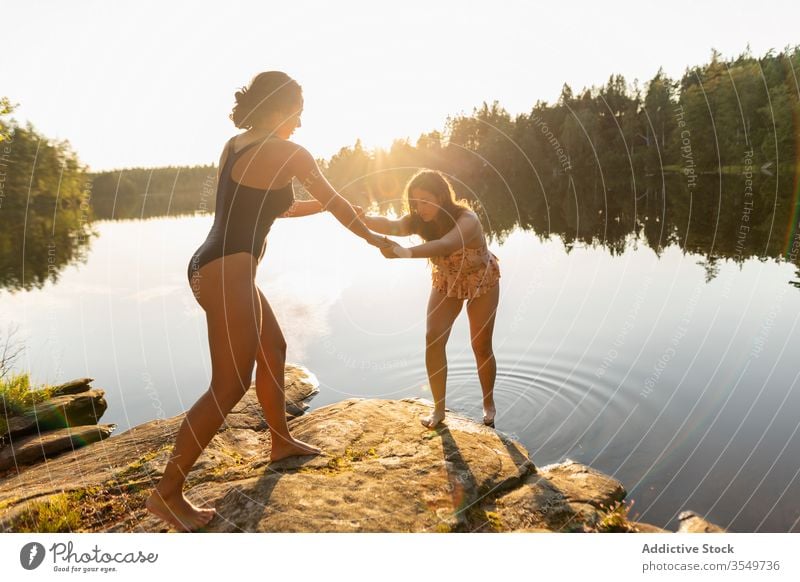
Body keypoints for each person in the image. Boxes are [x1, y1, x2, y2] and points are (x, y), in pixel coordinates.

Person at [146, 71, 391, 531]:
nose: (300, 122)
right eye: (298, 111)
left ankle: (280, 440)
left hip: (219, 266)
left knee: (272, 349)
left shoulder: (236, 145)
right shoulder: (291, 153)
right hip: (225, 271)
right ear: (280, 108)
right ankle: (167, 493)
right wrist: (377, 238)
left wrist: (324, 207)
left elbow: (277, 207)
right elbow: (336, 200)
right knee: (230, 383)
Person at [357, 170, 500, 429]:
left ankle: (488, 404)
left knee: (480, 345)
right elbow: (392, 226)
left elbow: (446, 245)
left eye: (425, 201)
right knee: (432, 337)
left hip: (480, 278)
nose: (419, 208)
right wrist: (363, 218)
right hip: (447, 279)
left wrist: (404, 253)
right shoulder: (419, 220)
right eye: (414, 202)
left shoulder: (467, 219)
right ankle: (438, 409)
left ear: (442, 197)